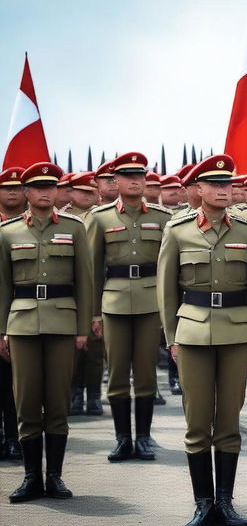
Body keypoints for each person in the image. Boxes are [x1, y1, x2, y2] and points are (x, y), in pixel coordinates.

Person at [158, 154, 247, 526]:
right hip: (192, 332)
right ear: (198, 190)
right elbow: (167, 290)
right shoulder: (179, 230)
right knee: (197, 419)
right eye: (214, 184)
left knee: (229, 419)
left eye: (227, 184)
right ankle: (203, 504)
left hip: (237, 333)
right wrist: (172, 338)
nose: (222, 190)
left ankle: (225, 502)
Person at [0, 162, 92, 502]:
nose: (44, 192)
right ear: (26, 192)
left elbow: (84, 280)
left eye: (50, 187)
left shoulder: (75, 228)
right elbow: (3, 287)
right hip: (21, 324)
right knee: (25, 402)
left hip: (62, 323)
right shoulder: (8, 232)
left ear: (56, 191)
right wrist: (1, 330)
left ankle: (54, 476)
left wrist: (83, 328)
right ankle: (30, 477)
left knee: (57, 401)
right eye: (37, 187)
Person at [86, 152, 172, 462]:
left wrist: (168, 310)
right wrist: (94, 313)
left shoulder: (163, 218)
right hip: (115, 302)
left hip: (151, 303)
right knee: (118, 373)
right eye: (128, 176)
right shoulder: (100, 218)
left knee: (147, 373)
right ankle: (123, 439)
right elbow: (93, 271)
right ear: (116, 181)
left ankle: (144, 438)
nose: (135, 181)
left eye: (140, 175)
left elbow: (169, 270)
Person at [62, 172, 104, 416]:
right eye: (83, 191)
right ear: (72, 192)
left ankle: (94, 395)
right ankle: (75, 392)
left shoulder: (100, 216)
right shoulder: (62, 217)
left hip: (96, 285)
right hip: (69, 286)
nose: (88, 196)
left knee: (95, 346)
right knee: (73, 346)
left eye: (91, 191)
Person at [0, 167, 26, 462]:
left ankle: (13, 438)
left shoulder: (26, 227)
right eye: (6, 187)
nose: (12, 192)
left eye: (18, 188)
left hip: (18, 310)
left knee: (13, 382)